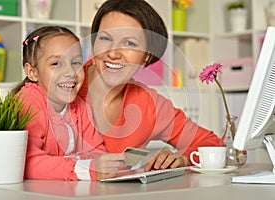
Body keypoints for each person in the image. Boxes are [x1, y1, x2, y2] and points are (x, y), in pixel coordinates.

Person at [78, 0, 224, 173]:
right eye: (105, 38)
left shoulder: (149, 104)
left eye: (129, 43)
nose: (113, 53)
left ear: (147, 56)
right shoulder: (62, 82)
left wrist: (182, 159)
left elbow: (211, 144)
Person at [12, 26, 121, 181]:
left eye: (76, 62)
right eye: (56, 63)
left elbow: (96, 150)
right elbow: (26, 162)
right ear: (32, 72)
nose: (71, 72)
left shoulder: (80, 106)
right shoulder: (29, 101)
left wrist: (103, 165)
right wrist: (82, 168)